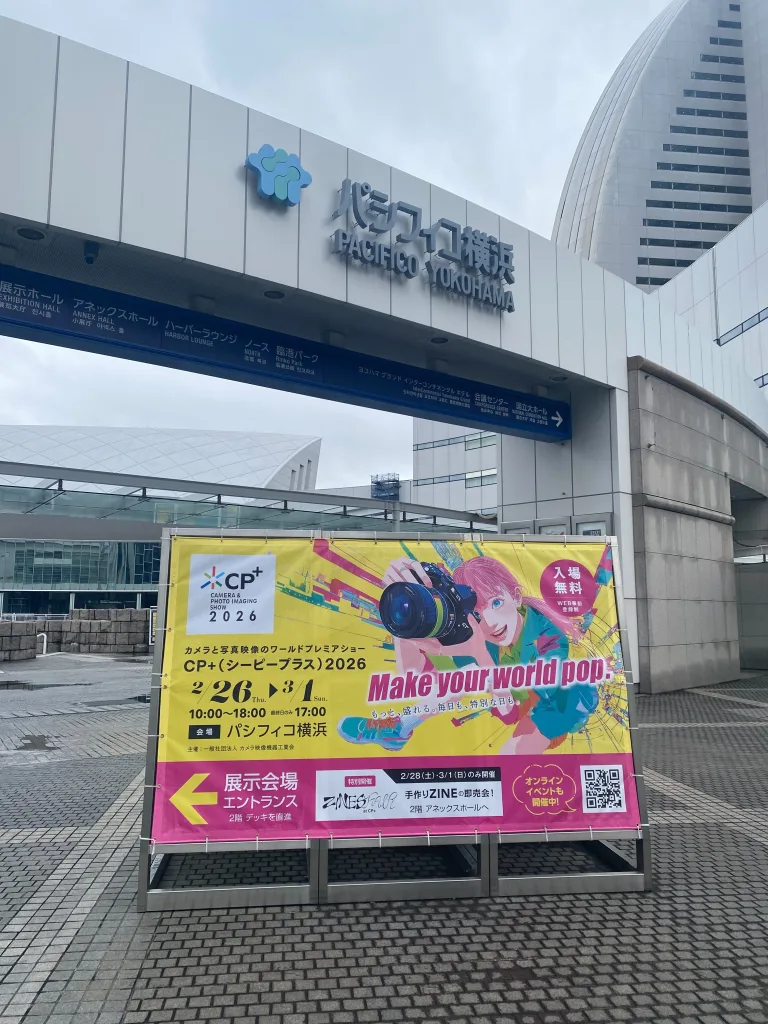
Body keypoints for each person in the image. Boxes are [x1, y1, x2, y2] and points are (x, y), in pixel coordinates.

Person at [338, 555, 599, 753]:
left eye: (496, 603)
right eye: (477, 612)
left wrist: (480, 656)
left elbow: (510, 711)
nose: (490, 623)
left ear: (516, 597)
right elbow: (414, 677)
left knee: (510, 757)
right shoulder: (473, 630)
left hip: (557, 702)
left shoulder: (549, 638)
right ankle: (399, 727)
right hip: (510, 694)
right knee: (463, 675)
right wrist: (403, 623)